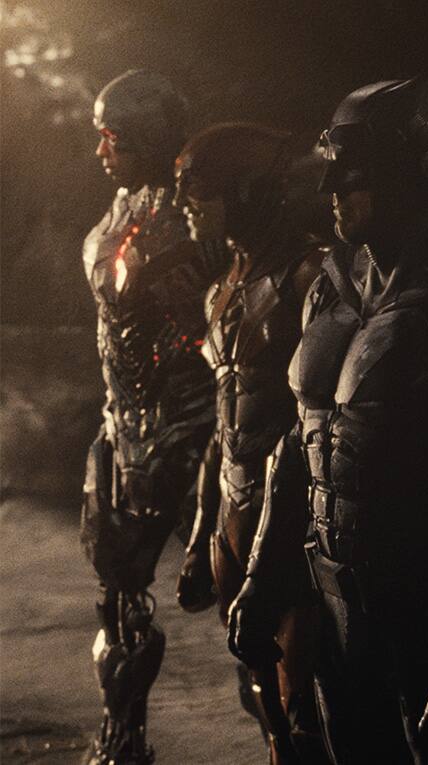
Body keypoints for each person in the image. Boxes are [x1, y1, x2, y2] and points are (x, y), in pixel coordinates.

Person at [224, 76, 428, 763]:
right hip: (337, 605)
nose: (329, 186)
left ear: (414, 172)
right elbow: (299, 442)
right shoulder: (329, 286)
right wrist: (263, 576)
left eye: (353, 169)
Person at [171, 121, 330, 762]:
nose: (184, 203)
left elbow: (313, 427)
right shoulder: (221, 289)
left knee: (307, 707)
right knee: (261, 699)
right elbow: (224, 426)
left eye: (197, 188)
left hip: (296, 526)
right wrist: (199, 538)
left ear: (245, 189)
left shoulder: (311, 278)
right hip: (234, 519)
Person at [78, 69, 223, 765]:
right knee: (117, 590)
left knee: (246, 594)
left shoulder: (199, 215)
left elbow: (219, 322)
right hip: (126, 423)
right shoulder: (121, 208)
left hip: (197, 425)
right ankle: (122, 737)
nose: (102, 151)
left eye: (114, 137)